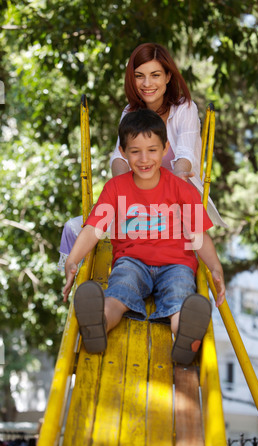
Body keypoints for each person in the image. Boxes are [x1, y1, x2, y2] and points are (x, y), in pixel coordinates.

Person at [63, 109, 225, 365]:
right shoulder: (116, 188)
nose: (144, 158)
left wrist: (215, 267)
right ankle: (98, 323)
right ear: (124, 153)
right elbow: (94, 228)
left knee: (180, 298)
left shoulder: (182, 189)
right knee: (118, 293)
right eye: (135, 151)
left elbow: (198, 236)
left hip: (176, 264)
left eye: (152, 149)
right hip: (132, 261)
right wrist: (72, 261)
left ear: (165, 149)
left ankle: (187, 336)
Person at [57, 43, 227, 271]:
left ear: (168, 76)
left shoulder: (184, 108)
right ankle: (76, 286)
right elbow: (119, 158)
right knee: (73, 227)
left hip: (173, 204)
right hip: (134, 205)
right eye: (139, 76)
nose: (147, 84)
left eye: (155, 75)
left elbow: (185, 157)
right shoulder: (130, 112)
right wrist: (125, 194)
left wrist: (168, 191)